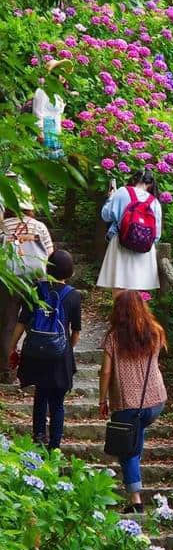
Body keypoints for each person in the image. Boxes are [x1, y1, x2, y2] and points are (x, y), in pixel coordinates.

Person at [98, 290, 167, 513]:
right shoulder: (155, 332)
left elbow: (106, 372)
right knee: (134, 438)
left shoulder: (113, 338)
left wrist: (102, 399)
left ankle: (136, 501)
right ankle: (135, 478)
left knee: (128, 451)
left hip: (128, 404)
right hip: (156, 401)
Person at [8, 250, 81, 449]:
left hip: (37, 352)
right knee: (57, 402)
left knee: (40, 396)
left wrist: (12, 347)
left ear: (47, 268)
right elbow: (76, 332)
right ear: (70, 272)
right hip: (59, 355)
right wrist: (67, 349)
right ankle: (55, 445)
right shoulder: (73, 296)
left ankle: (38, 438)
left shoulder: (35, 289)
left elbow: (22, 322)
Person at [0, 188, 54, 382]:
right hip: (35, 280)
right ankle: (35, 369)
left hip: (9, 281)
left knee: (7, 323)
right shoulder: (39, 227)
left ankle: (5, 370)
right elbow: (50, 253)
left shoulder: (3, 226)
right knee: (36, 323)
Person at [97, 169, 162, 298]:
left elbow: (105, 215)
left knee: (119, 286)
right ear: (150, 184)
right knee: (137, 291)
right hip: (144, 249)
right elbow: (157, 234)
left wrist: (111, 198)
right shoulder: (154, 202)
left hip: (121, 241)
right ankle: (134, 317)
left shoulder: (122, 192)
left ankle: (119, 316)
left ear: (134, 179)